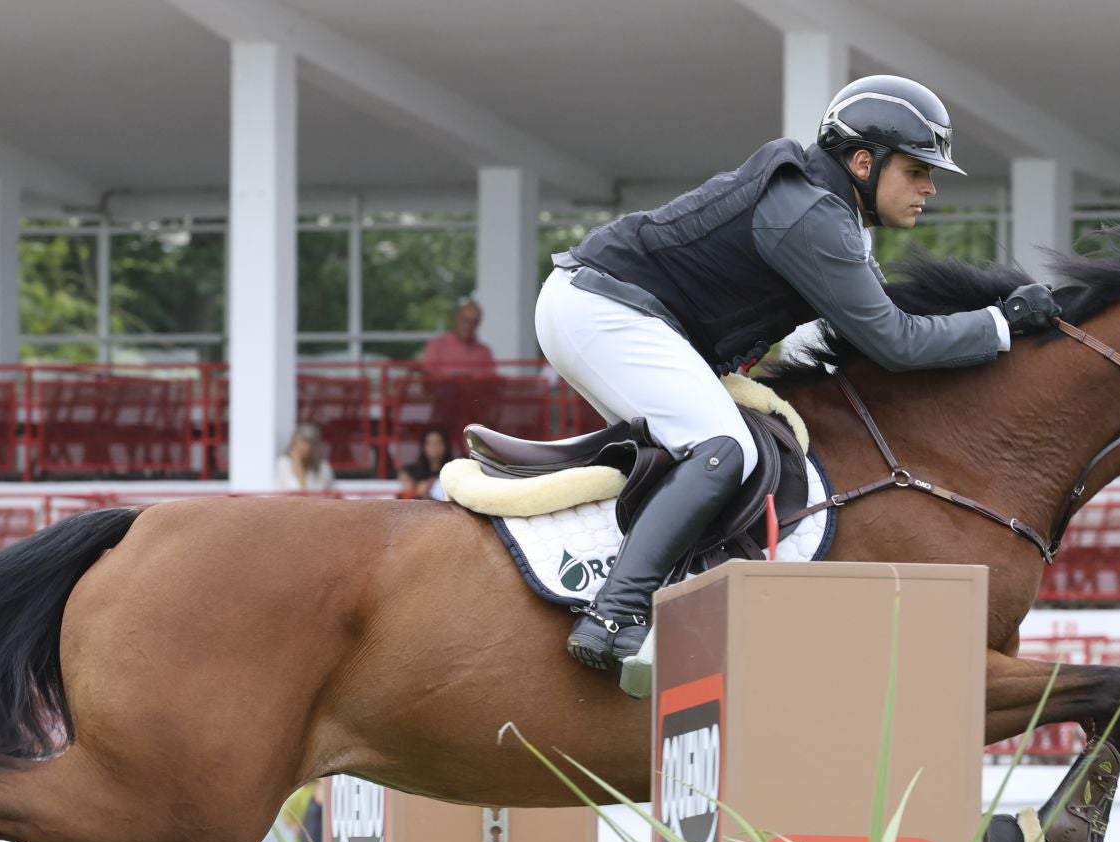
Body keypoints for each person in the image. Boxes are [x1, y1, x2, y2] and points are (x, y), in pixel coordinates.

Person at [538, 75, 1058, 694]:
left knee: (719, 452)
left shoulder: (831, 210)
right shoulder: (814, 214)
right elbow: (894, 342)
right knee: (721, 449)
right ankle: (613, 613)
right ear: (865, 162)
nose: (930, 187)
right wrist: (1003, 323)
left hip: (617, 311)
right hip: (604, 310)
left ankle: (661, 596)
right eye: (917, 169)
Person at [418, 298, 498, 377]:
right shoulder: (436, 345)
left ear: (478, 324)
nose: (469, 325)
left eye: (474, 322)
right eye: (465, 320)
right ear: (456, 318)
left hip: (476, 390)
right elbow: (428, 379)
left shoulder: (484, 351)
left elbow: (492, 382)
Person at [274, 423, 336, 492]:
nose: (299, 447)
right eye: (295, 443)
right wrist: (297, 464)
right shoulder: (284, 463)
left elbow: (318, 492)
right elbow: (295, 491)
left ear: (313, 446)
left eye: (303, 443)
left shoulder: (323, 466)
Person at [400, 426, 455, 501]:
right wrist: (415, 490)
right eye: (430, 443)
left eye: (438, 443)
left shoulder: (454, 470)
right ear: (423, 446)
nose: (434, 447)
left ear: (446, 445)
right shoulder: (414, 472)